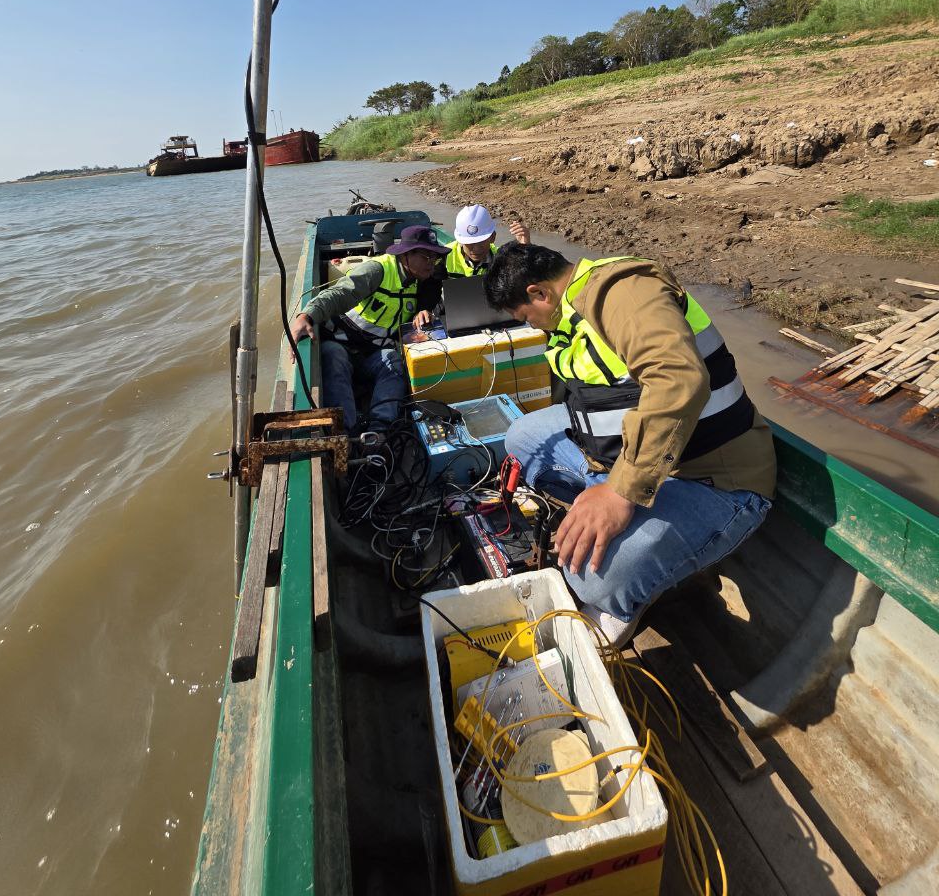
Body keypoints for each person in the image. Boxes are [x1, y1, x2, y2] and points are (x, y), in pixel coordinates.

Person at [484, 244, 776, 644]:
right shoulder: (570, 313)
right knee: (522, 437)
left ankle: (626, 567)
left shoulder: (623, 293)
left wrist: (619, 492)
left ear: (539, 293)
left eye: (525, 318)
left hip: (712, 480)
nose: (532, 327)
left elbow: (678, 380)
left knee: (587, 577)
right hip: (628, 459)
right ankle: (610, 519)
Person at [291, 223, 449, 433]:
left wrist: (424, 310)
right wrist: (306, 315)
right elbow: (339, 294)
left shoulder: (421, 279)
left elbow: (432, 295)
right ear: (406, 255)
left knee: (393, 360)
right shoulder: (377, 270)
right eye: (426, 257)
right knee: (332, 356)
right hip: (343, 346)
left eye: (434, 258)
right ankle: (345, 432)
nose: (431, 264)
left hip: (373, 355)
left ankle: (379, 430)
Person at [412, 204, 530, 330]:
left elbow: (522, 283)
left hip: (491, 318)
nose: (476, 249)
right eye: (470, 244)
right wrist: (424, 309)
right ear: (460, 240)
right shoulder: (443, 256)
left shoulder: (501, 259)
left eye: (481, 242)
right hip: (450, 317)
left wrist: (526, 248)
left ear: (492, 237)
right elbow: (430, 288)